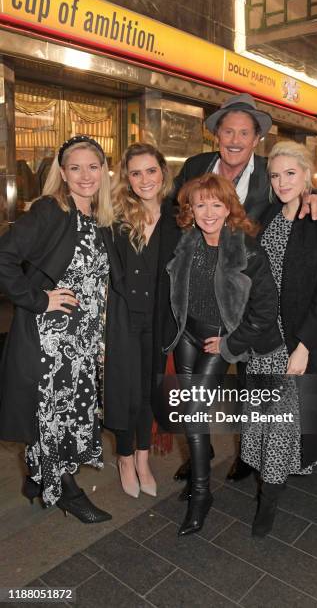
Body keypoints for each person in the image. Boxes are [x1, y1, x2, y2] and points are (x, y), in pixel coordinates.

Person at [170, 92, 317, 484]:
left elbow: (301, 190)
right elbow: (175, 213)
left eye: (244, 133)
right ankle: (204, 452)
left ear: (255, 139)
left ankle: (247, 457)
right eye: (227, 130)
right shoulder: (195, 166)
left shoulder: (271, 171)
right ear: (216, 135)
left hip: (251, 309)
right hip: (203, 308)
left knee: (252, 385)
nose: (234, 139)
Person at [0, 135, 122, 523]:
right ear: (63, 175)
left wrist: (101, 333)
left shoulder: (98, 218)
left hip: (83, 341)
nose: (85, 175)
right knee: (55, 417)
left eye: (93, 166)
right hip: (50, 343)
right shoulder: (51, 211)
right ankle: (67, 491)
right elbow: (3, 257)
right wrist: (39, 299)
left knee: (74, 415)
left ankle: (37, 480)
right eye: (75, 168)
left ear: (104, 171)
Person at [241, 141, 317, 537]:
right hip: (262, 341)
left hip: (295, 344)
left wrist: (304, 347)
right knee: (263, 420)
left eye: (291, 173)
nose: (282, 181)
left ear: (307, 176)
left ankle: (267, 503)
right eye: (275, 174)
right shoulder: (268, 216)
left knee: (282, 428)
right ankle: (257, 477)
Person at [164, 173, 281, 536]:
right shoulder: (187, 241)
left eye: (217, 204)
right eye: (201, 204)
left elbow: (265, 310)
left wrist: (231, 343)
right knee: (189, 411)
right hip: (186, 333)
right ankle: (200, 473)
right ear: (190, 210)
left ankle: (202, 494)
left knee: (194, 410)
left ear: (229, 207)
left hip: (219, 339)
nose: (209, 212)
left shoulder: (247, 250)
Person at [109, 143, 179, 498]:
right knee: (126, 394)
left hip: (159, 322)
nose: (144, 179)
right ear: (127, 178)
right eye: (135, 173)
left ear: (163, 173)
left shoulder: (179, 217)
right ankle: (123, 457)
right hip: (122, 321)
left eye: (150, 170)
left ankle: (142, 459)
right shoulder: (116, 217)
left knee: (150, 393)